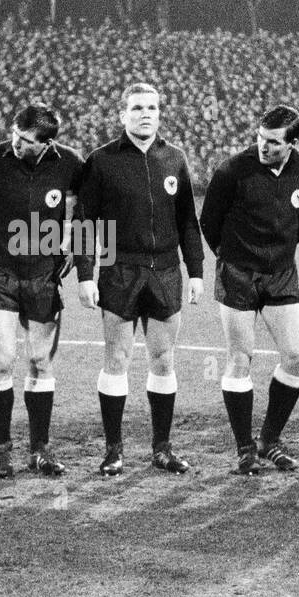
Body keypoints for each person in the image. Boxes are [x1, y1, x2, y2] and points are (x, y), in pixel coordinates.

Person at [75, 82, 205, 476]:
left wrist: (196, 271)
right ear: (122, 115)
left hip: (166, 270)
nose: (145, 114)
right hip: (119, 267)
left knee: (163, 359)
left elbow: (188, 221)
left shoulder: (174, 158)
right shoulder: (102, 161)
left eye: (151, 108)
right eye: (137, 108)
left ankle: (161, 448)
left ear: (159, 113)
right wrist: (86, 274)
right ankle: (113, 450)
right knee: (116, 358)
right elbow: (84, 221)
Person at [199, 103, 299, 475]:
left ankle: (269, 438)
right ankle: (244, 447)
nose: (264, 147)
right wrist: (233, 255)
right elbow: (209, 222)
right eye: (261, 139)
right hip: (238, 272)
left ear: (293, 143)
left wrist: (275, 253)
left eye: (274, 143)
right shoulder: (233, 170)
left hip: (281, 273)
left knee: (296, 357)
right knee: (240, 357)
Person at [0, 103, 83, 478]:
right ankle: (1, 451)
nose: (16, 143)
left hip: (43, 277)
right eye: (15, 135)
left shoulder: (69, 162)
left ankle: (40, 449)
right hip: (1, 275)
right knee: (2, 358)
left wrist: (76, 243)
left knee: (40, 361)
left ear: (47, 144)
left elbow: (85, 208)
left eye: (26, 141)